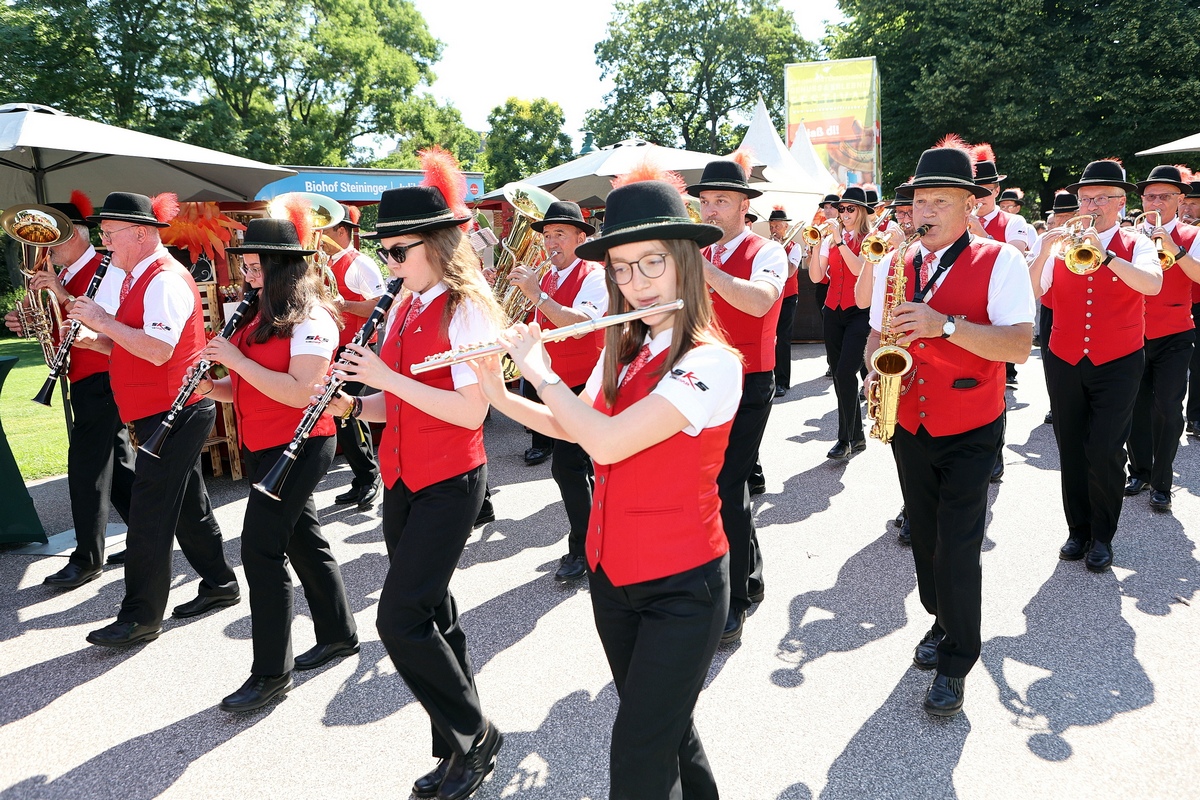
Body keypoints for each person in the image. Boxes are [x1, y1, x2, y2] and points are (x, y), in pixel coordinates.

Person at [472, 177, 739, 800]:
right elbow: (574, 427)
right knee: (670, 734)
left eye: (653, 263)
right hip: (613, 575)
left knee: (638, 754)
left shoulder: (712, 362)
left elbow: (608, 443)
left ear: (686, 263)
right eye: (622, 268)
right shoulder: (625, 354)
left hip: (684, 584)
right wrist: (497, 393)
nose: (638, 282)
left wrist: (541, 373)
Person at [324, 158, 503, 800]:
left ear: (434, 243)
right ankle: (456, 747)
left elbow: (469, 409)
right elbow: (394, 405)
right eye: (386, 251)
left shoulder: (468, 309)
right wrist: (346, 401)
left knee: (400, 619)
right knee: (435, 613)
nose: (390, 263)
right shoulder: (401, 305)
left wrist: (384, 378)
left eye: (398, 251)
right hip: (403, 477)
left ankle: (475, 734)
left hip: (452, 479)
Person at [866, 140, 1034, 716]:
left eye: (940, 199)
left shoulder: (1001, 260)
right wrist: (874, 366)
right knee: (927, 539)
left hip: (970, 425)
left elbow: (1018, 345)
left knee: (959, 547)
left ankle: (958, 659)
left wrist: (944, 326)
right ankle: (941, 620)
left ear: (970, 205)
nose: (925, 210)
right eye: (919, 200)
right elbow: (874, 333)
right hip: (909, 419)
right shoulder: (894, 263)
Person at [194, 218, 359, 712]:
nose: (246, 274)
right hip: (264, 445)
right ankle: (338, 632)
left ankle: (270, 672)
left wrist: (236, 361)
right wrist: (210, 387)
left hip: (302, 444)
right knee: (303, 539)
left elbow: (301, 392)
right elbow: (249, 386)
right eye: (244, 264)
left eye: (254, 264)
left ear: (282, 264)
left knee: (261, 551)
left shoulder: (313, 318)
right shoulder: (257, 315)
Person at [69, 192, 240, 647]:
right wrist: (95, 340)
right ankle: (221, 583)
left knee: (148, 514)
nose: (104, 243)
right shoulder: (136, 277)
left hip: (175, 411)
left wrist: (104, 323)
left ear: (141, 234)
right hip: (161, 410)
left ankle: (141, 615)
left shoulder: (163, 279)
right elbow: (135, 346)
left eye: (109, 234)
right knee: (186, 505)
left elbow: (159, 349)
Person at [1028, 159, 1162, 572]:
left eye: (1103, 198)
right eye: (1086, 198)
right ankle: (1078, 529)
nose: (1092, 205)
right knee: (1070, 446)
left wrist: (1106, 258)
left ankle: (1103, 535)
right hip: (1065, 357)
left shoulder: (1135, 242)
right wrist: (1044, 252)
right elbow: (1030, 293)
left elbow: (1152, 285)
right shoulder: (1062, 244)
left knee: (1104, 449)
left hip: (1118, 359)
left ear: (1121, 203)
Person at [3, 194, 135, 588]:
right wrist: (26, 320)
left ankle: (87, 557)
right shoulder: (60, 273)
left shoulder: (104, 266)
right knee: (119, 466)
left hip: (104, 374)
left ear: (75, 235)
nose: (45, 250)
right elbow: (54, 324)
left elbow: (104, 320)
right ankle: (151, 533)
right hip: (84, 377)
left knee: (85, 466)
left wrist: (59, 292)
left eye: (51, 240)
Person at [688, 158, 785, 644]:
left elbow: (759, 301)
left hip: (750, 378)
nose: (710, 210)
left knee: (727, 483)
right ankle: (749, 574)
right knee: (717, 484)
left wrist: (700, 267)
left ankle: (737, 597)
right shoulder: (697, 250)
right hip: (702, 378)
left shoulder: (766, 249)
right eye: (704, 202)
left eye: (721, 201)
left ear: (745, 206)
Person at [505, 200, 608, 581]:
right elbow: (536, 325)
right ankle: (598, 535)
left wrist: (537, 295)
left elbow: (580, 325)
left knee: (568, 467)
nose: (551, 243)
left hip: (585, 383)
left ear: (581, 238)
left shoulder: (594, 274)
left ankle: (583, 545)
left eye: (559, 235)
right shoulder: (545, 276)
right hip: (552, 382)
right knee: (579, 467)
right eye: (547, 236)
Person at [1125, 165, 1200, 512]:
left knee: (1168, 408)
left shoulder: (1192, 234)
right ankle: (1139, 470)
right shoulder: (1130, 235)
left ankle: (1162, 482)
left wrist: (1176, 249)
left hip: (1175, 332)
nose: (1156, 202)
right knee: (1135, 406)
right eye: (1150, 196)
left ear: (1180, 200)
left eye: (1164, 196)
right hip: (1132, 332)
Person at [968, 142, 1032, 480]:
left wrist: (981, 233)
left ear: (995, 189)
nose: (979, 197)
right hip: (964, 311)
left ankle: (995, 454)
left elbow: (1018, 256)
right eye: (973, 191)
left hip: (998, 318)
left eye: (984, 191)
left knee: (995, 387)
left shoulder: (1014, 221)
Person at [324, 205, 387, 509]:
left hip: (357, 347)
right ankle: (362, 476)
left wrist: (345, 305)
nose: (319, 235)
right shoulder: (321, 263)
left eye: (325, 229)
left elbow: (380, 306)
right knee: (341, 416)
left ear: (341, 231)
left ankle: (369, 476)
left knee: (348, 414)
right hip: (332, 348)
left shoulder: (361, 263)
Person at [812, 186, 873, 459]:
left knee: (847, 372)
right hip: (832, 311)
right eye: (842, 209)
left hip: (860, 311)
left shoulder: (871, 238)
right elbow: (816, 277)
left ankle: (844, 439)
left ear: (861, 212)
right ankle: (856, 437)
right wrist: (815, 246)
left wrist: (839, 241)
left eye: (850, 209)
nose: (844, 213)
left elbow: (860, 269)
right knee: (839, 375)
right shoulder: (829, 239)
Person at [1035, 191, 1081, 426]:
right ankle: (1055, 403)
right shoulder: (1046, 239)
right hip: (1049, 306)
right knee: (1049, 358)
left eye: (1068, 216)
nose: (1062, 222)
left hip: (1074, 308)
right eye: (1058, 217)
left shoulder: (1084, 237)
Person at [770, 206, 803, 397]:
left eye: (778, 226)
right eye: (772, 225)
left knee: (783, 338)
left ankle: (782, 381)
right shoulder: (767, 246)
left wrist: (779, 249)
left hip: (789, 297)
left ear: (785, 227)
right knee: (769, 338)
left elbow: (790, 271)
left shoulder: (794, 247)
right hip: (772, 296)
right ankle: (771, 378)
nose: (774, 229)